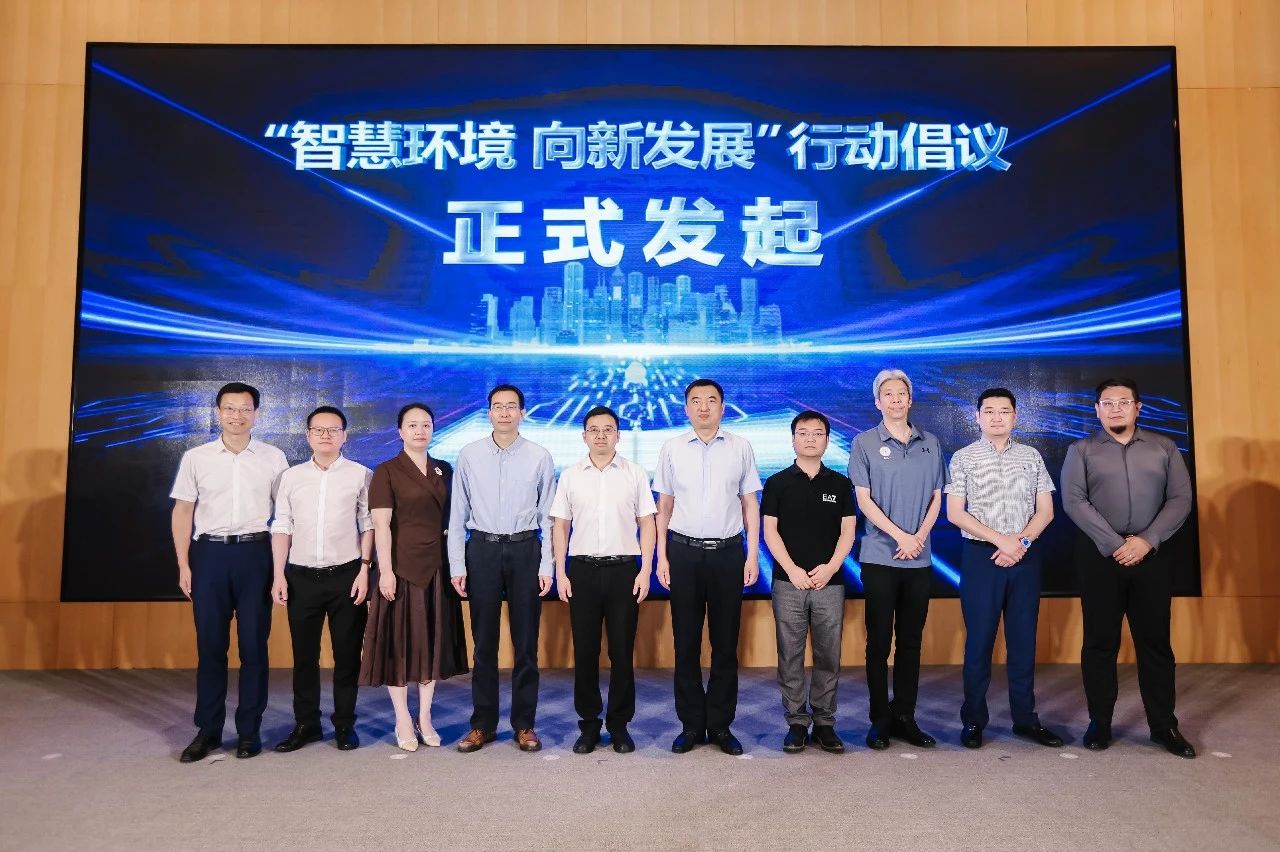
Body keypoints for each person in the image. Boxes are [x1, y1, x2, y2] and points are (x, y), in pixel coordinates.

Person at [1061, 378, 1195, 758]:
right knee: (1100, 642)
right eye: (1107, 403)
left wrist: (1147, 540)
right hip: (1100, 557)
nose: (1115, 409)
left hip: (1152, 555)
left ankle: (1164, 725)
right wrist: (1116, 544)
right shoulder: (1081, 450)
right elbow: (1074, 501)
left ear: (1138, 407)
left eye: (1123, 402)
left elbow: (1180, 498)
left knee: (1155, 643)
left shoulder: (1164, 447)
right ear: (1097, 410)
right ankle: (1100, 722)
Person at [170, 382, 289, 762]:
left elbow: (285, 514)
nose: (237, 416)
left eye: (245, 409)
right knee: (210, 646)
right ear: (218, 412)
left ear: (257, 413)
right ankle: (208, 730)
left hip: (256, 554)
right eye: (230, 408)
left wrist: (281, 569)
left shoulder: (273, 457)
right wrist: (184, 563)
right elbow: (182, 512)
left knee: (254, 646)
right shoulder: (197, 457)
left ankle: (249, 731)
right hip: (209, 555)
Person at [945, 388, 1063, 750]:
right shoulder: (963, 457)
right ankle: (974, 720)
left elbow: (1046, 511)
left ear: (1015, 416)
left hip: (1025, 558)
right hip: (981, 558)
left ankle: (1025, 719)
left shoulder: (1031, 456)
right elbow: (955, 513)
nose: (997, 417)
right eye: (989, 411)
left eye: (1004, 411)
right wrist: (1002, 541)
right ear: (977, 416)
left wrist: (1020, 544)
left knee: (1023, 641)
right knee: (979, 643)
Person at [655, 378, 763, 756]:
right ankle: (690, 725)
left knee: (725, 643)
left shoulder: (740, 447)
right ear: (686, 408)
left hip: (728, 554)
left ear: (722, 407)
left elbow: (750, 505)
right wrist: (662, 557)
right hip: (683, 553)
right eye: (696, 401)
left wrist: (752, 555)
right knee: (685, 643)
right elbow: (664, 507)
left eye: (711, 400)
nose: (704, 407)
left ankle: (719, 726)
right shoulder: (671, 448)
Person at [449, 384, 555, 753]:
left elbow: (548, 516)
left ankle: (524, 724)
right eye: (498, 406)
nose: (505, 412)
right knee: (484, 645)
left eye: (512, 406)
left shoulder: (540, 456)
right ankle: (482, 725)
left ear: (523, 413)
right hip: (482, 549)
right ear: (489, 412)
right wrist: (457, 564)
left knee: (526, 644)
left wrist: (547, 564)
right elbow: (457, 513)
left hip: (526, 549)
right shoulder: (469, 454)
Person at [358, 403, 468, 751]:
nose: (420, 431)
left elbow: (455, 518)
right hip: (401, 568)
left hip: (437, 567)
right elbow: (382, 526)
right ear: (400, 431)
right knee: (400, 646)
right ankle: (402, 718)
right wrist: (385, 572)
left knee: (430, 644)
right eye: (412, 425)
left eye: (426, 425)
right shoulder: (387, 471)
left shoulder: (443, 469)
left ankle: (425, 716)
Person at [848, 369, 946, 750]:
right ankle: (880, 719)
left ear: (910, 399)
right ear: (878, 402)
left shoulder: (930, 442)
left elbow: (937, 497)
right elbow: (864, 500)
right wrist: (901, 536)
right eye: (887, 394)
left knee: (910, 641)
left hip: (919, 559)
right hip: (880, 557)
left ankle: (905, 714)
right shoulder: (864, 443)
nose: (895, 399)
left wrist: (918, 537)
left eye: (901, 393)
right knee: (878, 642)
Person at [551, 405, 657, 755]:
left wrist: (645, 569)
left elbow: (647, 523)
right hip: (581, 571)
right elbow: (561, 526)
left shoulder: (634, 473)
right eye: (594, 430)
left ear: (617, 435)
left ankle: (620, 725)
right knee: (585, 652)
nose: (600, 435)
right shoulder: (570, 475)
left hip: (624, 570)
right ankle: (589, 725)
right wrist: (561, 572)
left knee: (622, 651)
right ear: (584, 436)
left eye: (607, 429)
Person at [269, 406, 373, 753]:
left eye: (333, 430)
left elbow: (368, 525)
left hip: (347, 575)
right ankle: (306, 724)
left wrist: (365, 569)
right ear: (308, 435)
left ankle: (344, 724)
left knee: (347, 655)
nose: (326, 435)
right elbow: (282, 525)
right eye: (319, 430)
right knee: (304, 657)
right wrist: (278, 575)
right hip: (301, 577)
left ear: (345, 435)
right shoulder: (291, 477)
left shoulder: (361, 475)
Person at [762, 410, 855, 754]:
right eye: (803, 433)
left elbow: (848, 531)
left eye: (818, 433)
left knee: (829, 653)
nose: (810, 438)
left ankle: (825, 722)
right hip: (788, 582)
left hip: (830, 582)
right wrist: (792, 570)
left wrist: (830, 568)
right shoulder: (777, 483)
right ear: (793, 440)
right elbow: (770, 532)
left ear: (827, 440)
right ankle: (797, 723)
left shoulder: (840, 484)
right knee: (790, 654)